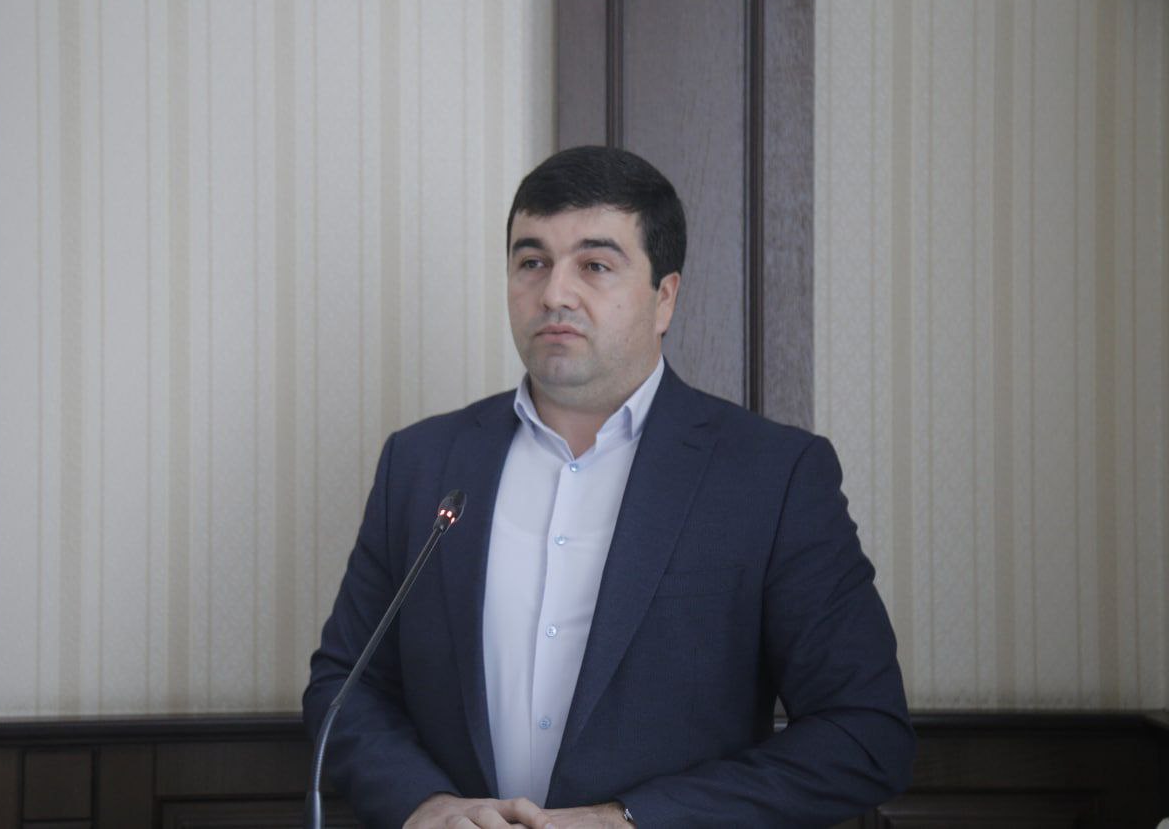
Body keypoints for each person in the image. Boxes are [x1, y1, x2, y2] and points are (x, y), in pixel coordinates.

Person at [304, 146, 915, 828]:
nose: (554, 293)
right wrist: (426, 805)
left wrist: (627, 820)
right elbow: (344, 688)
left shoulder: (772, 475)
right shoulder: (421, 463)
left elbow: (864, 734)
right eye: (532, 262)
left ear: (664, 297)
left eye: (594, 265)